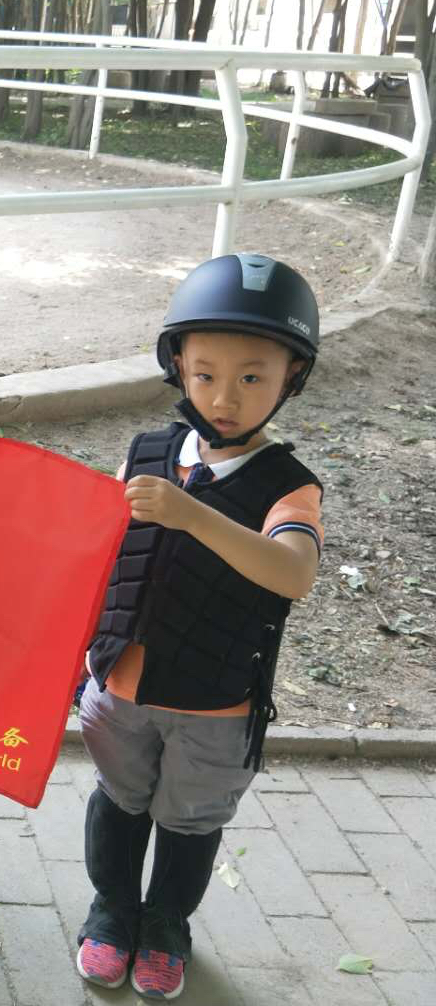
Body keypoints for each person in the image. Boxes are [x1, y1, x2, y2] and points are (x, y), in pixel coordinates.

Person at [74, 254, 324, 999]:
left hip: (216, 702)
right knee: (119, 804)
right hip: (122, 686)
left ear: (291, 380)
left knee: (187, 823)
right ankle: (112, 911)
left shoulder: (290, 484)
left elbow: (294, 573)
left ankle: (166, 925)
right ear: (177, 365)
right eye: (206, 372)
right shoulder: (149, 454)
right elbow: (106, 556)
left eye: (253, 377)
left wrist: (192, 513)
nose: (225, 395)